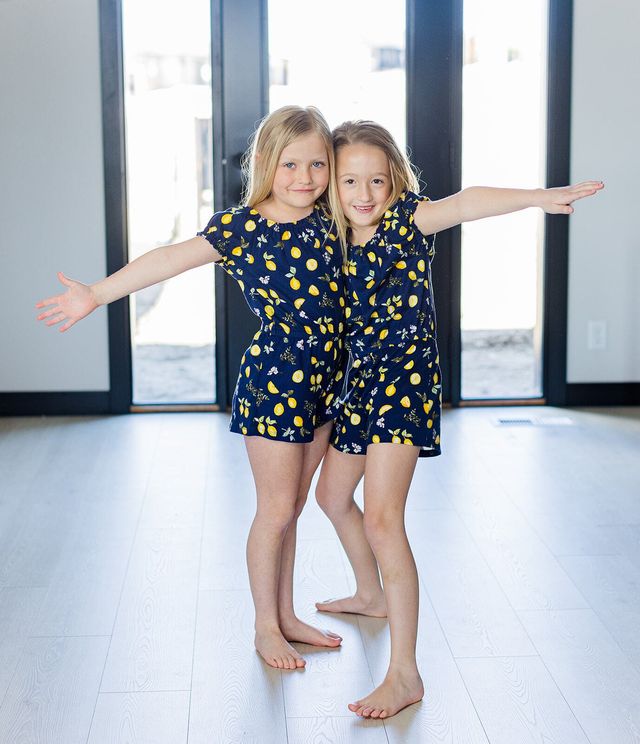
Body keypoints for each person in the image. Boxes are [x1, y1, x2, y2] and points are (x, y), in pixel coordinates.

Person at [35, 105, 348, 671]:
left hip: (326, 385)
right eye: (290, 164)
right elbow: (167, 260)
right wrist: (97, 294)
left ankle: (287, 615)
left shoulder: (332, 219)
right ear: (265, 162)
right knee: (276, 509)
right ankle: (265, 627)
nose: (304, 178)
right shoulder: (243, 227)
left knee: (295, 508)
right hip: (276, 385)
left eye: (317, 165)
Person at [315, 120, 604, 718]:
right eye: (350, 181)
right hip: (358, 385)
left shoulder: (405, 222)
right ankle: (371, 593)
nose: (365, 193)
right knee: (332, 496)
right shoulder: (331, 236)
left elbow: (467, 202)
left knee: (384, 521)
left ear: (396, 181)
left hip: (403, 387)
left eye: (377, 180)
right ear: (332, 186)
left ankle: (404, 673)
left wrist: (538, 198)